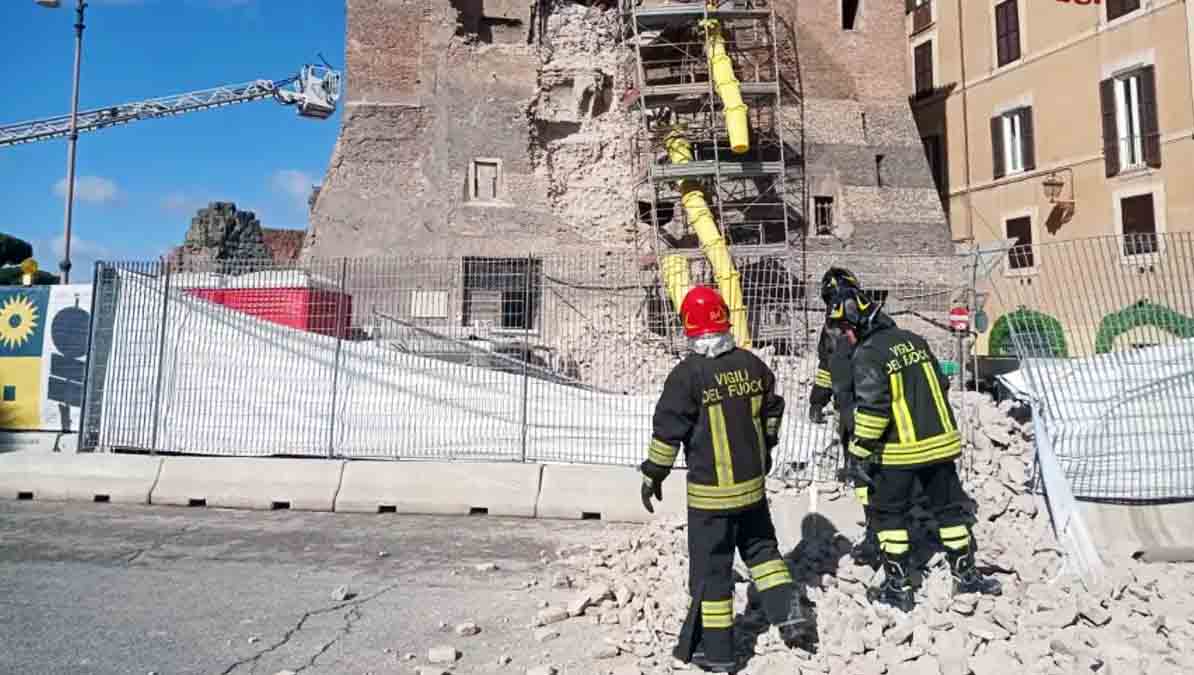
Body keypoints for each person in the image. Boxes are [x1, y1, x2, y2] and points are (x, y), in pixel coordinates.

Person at [640, 286, 812, 672]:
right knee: (764, 553)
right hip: (752, 491)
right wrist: (766, 448)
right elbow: (773, 412)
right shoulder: (753, 366)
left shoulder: (687, 376)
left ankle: (718, 653)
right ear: (724, 318)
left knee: (712, 572)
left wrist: (653, 474)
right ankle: (792, 618)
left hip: (711, 499)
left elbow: (667, 433)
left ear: (688, 326)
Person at [828, 286, 1002, 612]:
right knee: (950, 511)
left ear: (858, 324)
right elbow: (943, 383)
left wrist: (860, 452)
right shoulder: (913, 340)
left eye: (846, 329)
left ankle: (899, 587)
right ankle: (966, 577)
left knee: (888, 514)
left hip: (900, 452)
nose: (845, 337)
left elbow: (874, 408)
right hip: (941, 444)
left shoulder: (869, 354)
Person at [814, 268, 881, 568]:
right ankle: (877, 528)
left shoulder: (854, 324)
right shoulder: (844, 325)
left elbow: (828, 365)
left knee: (867, 471)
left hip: (863, 407)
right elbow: (827, 366)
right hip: (859, 407)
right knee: (866, 471)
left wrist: (820, 397)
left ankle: (879, 530)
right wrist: (819, 397)